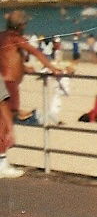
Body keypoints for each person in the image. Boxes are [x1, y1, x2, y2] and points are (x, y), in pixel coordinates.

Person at [1, 11, 65, 176]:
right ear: (20, 26)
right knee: (5, 124)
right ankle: (2, 162)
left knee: (5, 122)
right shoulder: (16, 38)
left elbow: (9, 59)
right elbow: (36, 52)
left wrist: (24, 68)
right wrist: (52, 68)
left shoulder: (3, 37)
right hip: (10, 86)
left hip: (4, 82)